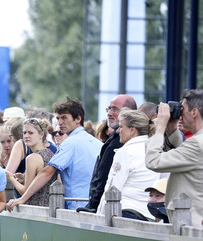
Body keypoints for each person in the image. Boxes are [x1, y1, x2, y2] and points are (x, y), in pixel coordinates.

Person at [7, 98, 100, 211]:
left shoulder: (69, 143)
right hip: (95, 206)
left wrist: (22, 199)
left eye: (64, 118)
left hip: (76, 207)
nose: (60, 122)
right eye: (58, 118)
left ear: (78, 119)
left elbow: (47, 172)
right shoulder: (97, 143)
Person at [145, 91, 203, 226]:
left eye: (182, 109)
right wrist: (171, 129)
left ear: (194, 112)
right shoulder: (198, 141)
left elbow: (153, 162)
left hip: (191, 224)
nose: (180, 114)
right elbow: (185, 156)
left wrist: (160, 128)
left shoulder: (196, 144)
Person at [96, 110, 159, 220]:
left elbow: (112, 187)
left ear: (132, 130)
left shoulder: (125, 152)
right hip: (150, 216)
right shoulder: (155, 150)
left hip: (127, 213)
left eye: (121, 127)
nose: (118, 131)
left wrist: (99, 216)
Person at [78, 94, 137, 212]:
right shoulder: (114, 138)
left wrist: (94, 206)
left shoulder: (127, 143)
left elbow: (107, 179)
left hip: (117, 210)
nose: (109, 113)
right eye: (108, 108)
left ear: (128, 112)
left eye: (114, 109)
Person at [6, 117, 56, 207]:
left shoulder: (32, 158)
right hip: (51, 206)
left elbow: (25, 191)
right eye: (24, 132)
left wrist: (12, 179)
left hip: (36, 208)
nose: (26, 136)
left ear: (41, 135)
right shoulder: (51, 153)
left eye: (31, 133)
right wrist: (24, 177)